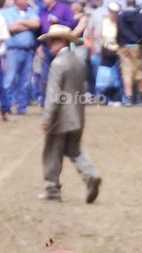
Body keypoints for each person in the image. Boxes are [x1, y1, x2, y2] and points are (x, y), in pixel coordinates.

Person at [39, 23, 102, 203]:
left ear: (60, 42)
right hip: (77, 117)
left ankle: (52, 190)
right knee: (74, 151)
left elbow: (53, 95)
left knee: (52, 152)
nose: (50, 45)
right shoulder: (78, 61)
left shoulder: (58, 63)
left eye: (52, 41)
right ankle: (91, 175)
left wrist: (47, 118)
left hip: (60, 119)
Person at [0, 0, 40, 115]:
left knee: (25, 80)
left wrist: (21, 22)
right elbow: (10, 28)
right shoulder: (7, 12)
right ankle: (6, 107)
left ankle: (22, 107)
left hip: (29, 51)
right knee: (10, 79)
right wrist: (28, 25)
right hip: (13, 50)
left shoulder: (32, 12)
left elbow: (36, 24)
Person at [117, 0, 142, 105]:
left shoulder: (121, 16)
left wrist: (120, 42)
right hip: (137, 46)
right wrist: (140, 41)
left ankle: (128, 97)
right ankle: (140, 98)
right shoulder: (139, 15)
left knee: (126, 72)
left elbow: (119, 30)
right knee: (139, 71)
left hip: (124, 46)